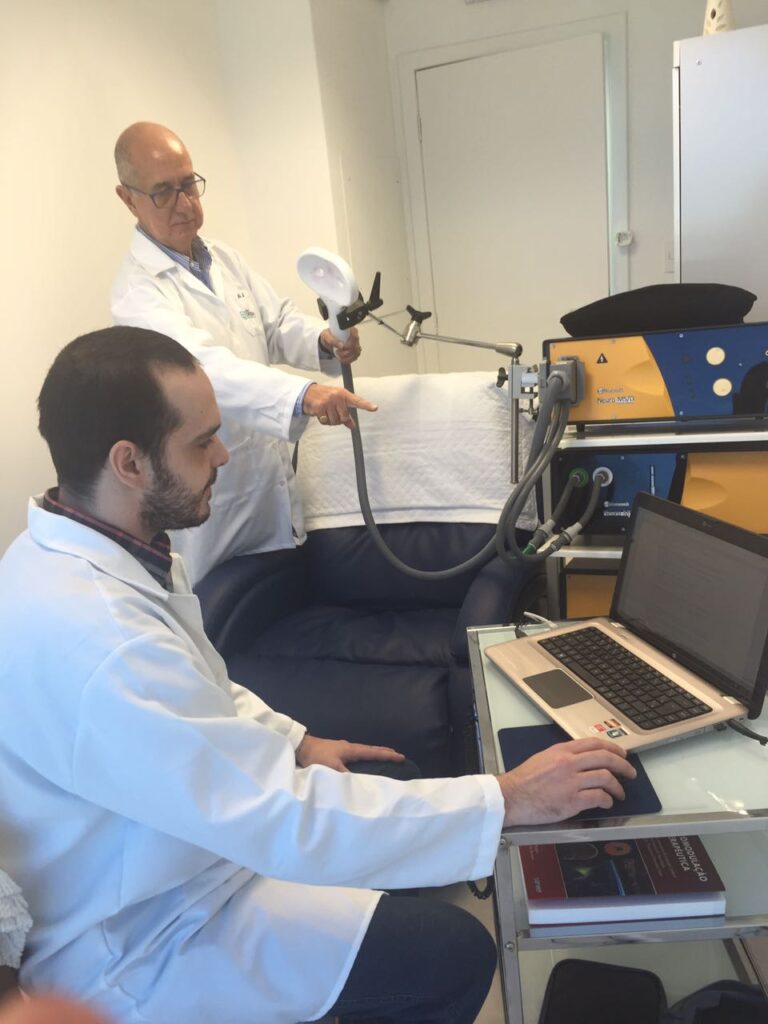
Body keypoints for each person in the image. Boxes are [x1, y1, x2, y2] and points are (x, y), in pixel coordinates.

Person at [0, 326, 636, 1024]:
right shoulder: (99, 638)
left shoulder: (85, 552)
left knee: (394, 777)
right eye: (202, 442)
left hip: (182, 848)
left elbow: (202, 686)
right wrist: (508, 799)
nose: (223, 455)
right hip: (146, 937)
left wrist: (297, 740)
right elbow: (279, 817)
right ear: (130, 463)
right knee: (453, 955)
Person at [111, 121, 378, 583]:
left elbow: (274, 323)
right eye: (163, 192)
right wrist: (303, 395)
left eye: (188, 184)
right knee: (225, 609)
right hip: (213, 500)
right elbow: (200, 371)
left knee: (283, 593)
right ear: (128, 198)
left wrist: (323, 341)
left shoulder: (223, 258)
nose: (184, 203)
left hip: (267, 484)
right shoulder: (137, 295)